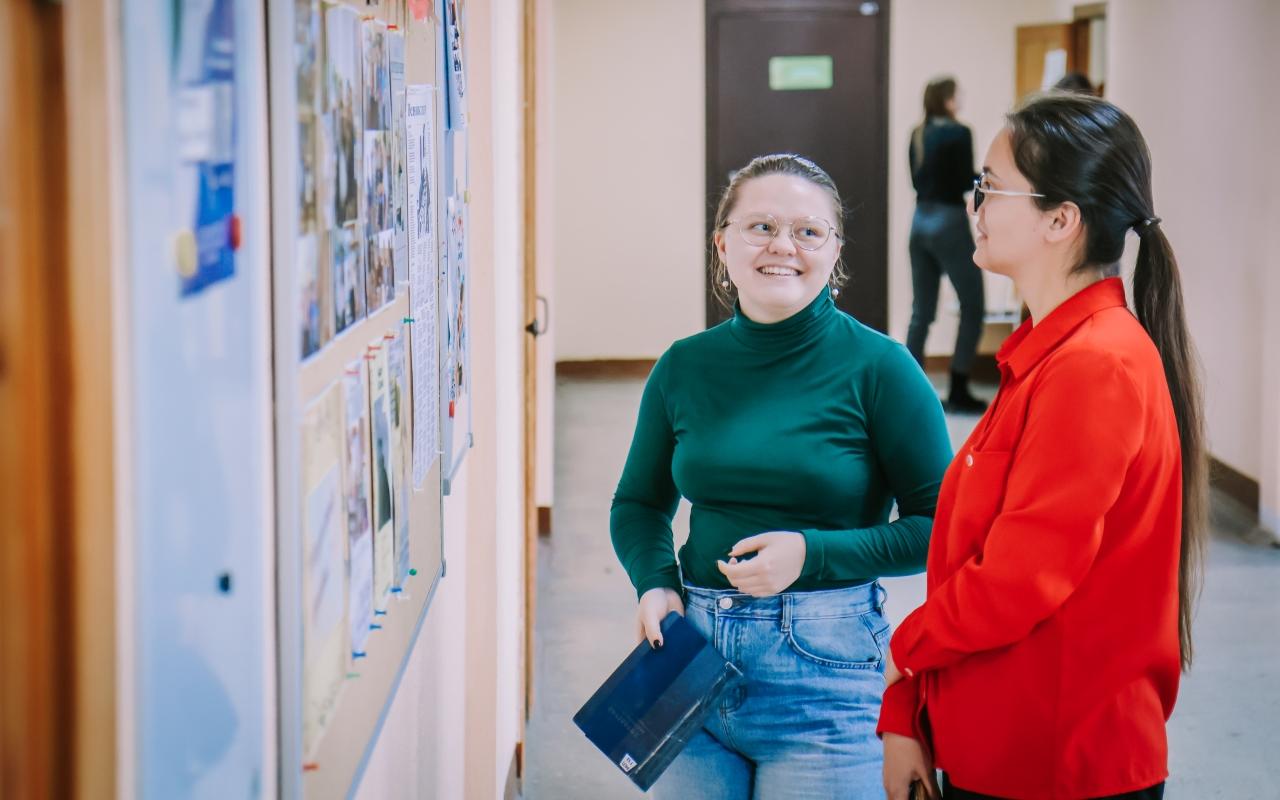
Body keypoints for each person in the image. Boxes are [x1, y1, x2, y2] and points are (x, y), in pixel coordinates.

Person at [879, 93, 1206, 800]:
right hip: (1002, 743)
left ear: (1061, 220)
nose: (976, 205)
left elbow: (1017, 579)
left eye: (989, 187)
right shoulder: (1046, 354)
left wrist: (900, 655)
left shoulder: (1097, 366)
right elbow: (976, 559)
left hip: (1058, 766)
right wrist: (909, 709)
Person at [609, 154, 953, 798]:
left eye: (808, 231)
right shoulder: (684, 366)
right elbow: (638, 504)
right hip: (690, 659)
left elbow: (943, 529)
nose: (782, 247)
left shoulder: (882, 369)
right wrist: (655, 585)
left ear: (835, 249)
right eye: (760, 227)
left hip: (824, 673)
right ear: (722, 243)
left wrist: (812, 553)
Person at [906, 77, 988, 414]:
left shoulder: (918, 133)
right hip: (949, 223)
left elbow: (915, 180)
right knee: (973, 305)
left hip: (919, 222)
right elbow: (962, 182)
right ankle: (957, 389)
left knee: (921, 312)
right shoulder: (960, 131)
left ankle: (908, 389)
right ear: (949, 100)